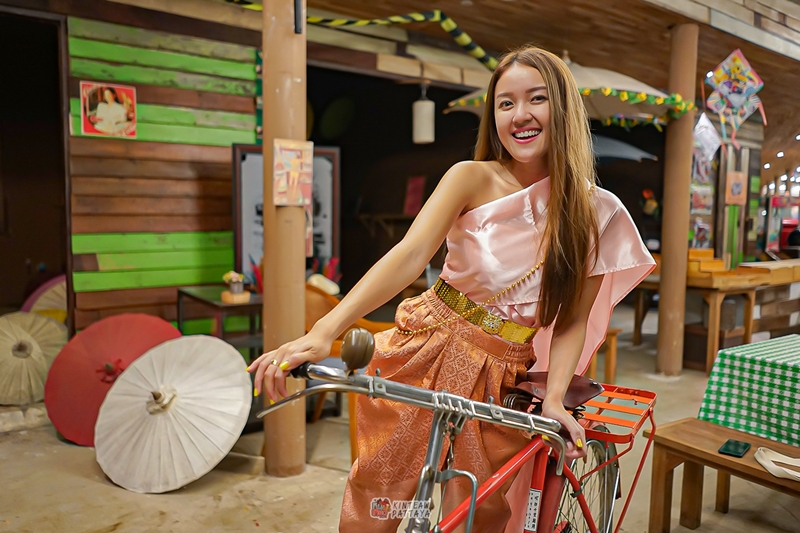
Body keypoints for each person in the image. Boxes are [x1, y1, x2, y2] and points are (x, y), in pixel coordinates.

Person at [248, 45, 655, 533]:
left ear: (563, 107)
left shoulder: (600, 213)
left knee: (476, 511)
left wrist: (553, 399)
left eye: (537, 98)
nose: (519, 115)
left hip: (503, 371)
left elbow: (572, 320)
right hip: (426, 344)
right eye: (505, 103)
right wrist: (323, 330)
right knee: (383, 494)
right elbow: (409, 255)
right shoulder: (470, 177)